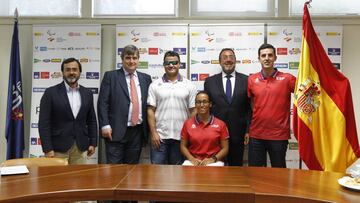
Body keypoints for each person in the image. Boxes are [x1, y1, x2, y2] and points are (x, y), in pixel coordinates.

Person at [98, 45, 152, 165]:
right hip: (115, 131)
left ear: (138, 59)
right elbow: (103, 103)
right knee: (114, 169)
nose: (131, 61)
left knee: (132, 170)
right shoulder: (110, 77)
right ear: (122, 59)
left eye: (134, 58)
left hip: (137, 132)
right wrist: (105, 125)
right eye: (128, 58)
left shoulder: (146, 79)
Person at [38, 57, 97, 164]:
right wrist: (47, 148)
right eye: (68, 70)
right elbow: (43, 123)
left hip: (80, 148)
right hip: (57, 149)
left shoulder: (87, 93)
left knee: (79, 179)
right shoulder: (50, 93)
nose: (71, 72)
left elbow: (91, 120)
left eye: (74, 69)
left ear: (79, 72)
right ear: (63, 72)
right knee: (57, 180)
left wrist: (93, 143)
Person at [247, 43, 296, 168]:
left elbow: (305, 93)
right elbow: (251, 104)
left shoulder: (287, 79)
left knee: (278, 175)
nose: (267, 58)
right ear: (259, 59)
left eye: (270, 55)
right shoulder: (252, 80)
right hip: (256, 135)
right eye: (263, 55)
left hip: (278, 136)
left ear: (275, 58)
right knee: (255, 174)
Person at [147, 50, 197, 165]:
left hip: (181, 138)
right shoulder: (154, 85)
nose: (171, 65)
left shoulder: (189, 85)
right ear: (164, 65)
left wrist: (188, 133)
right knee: (156, 174)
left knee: (178, 175)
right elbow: (150, 110)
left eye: (174, 62)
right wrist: (154, 133)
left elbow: (193, 110)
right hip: (160, 138)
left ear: (179, 64)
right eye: (168, 63)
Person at [204, 48, 252, 166]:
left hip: (238, 134)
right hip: (215, 134)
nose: (228, 60)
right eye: (225, 57)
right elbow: (206, 108)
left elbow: (250, 108)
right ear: (219, 62)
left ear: (235, 61)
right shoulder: (210, 81)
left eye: (231, 57)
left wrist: (248, 130)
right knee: (215, 169)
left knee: (236, 169)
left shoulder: (247, 80)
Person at [180, 91, 229, 166]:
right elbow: (183, 146)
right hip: (193, 161)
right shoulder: (188, 124)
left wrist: (213, 159)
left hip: (214, 162)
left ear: (210, 104)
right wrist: (192, 159)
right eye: (198, 102)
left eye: (205, 102)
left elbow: (225, 148)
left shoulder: (221, 124)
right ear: (195, 105)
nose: (202, 105)